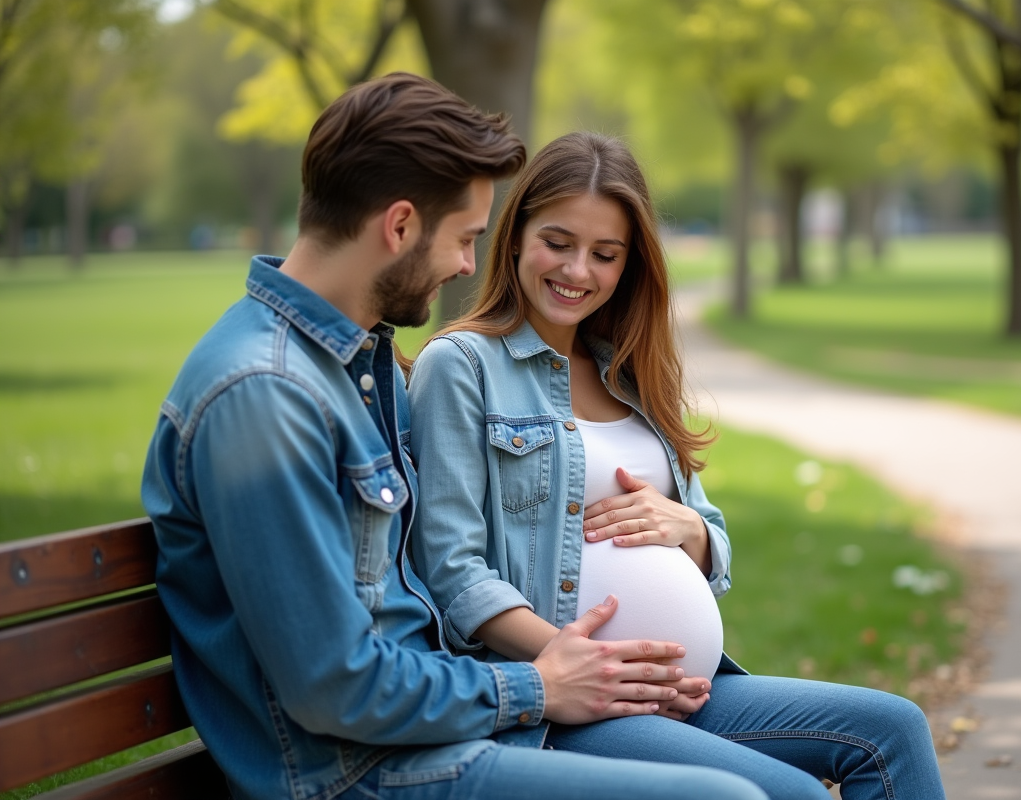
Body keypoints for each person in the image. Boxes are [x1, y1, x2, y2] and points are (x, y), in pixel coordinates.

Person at [142, 74, 772, 800]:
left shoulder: (350, 366)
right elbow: (333, 686)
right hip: (357, 772)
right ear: (400, 226)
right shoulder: (266, 395)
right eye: (467, 238)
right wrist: (535, 686)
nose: (470, 266)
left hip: (436, 734)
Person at [408, 131, 948, 800]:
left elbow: (712, 537)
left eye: (604, 254)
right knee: (795, 796)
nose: (578, 271)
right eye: (558, 242)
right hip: (566, 703)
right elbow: (453, 571)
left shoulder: (629, 374)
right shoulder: (462, 368)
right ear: (515, 235)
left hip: (692, 687)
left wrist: (688, 527)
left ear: (629, 264)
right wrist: (575, 664)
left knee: (893, 729)